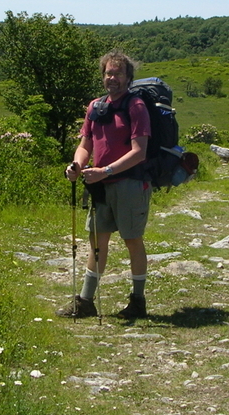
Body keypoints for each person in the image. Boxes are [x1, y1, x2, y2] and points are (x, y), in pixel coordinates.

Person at [58, 50, 152, 320]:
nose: (112, 78)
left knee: (132, 239)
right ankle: (86, 302)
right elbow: (85, 144)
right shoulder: (95, 106)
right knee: (97, 242)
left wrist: (105, 170)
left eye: (118, 73)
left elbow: (140, 151)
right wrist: (77, 165)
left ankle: (138, 301)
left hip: (130, 184)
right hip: (100, 184)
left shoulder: (135, 106)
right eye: (108, 73)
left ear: (128, 77)